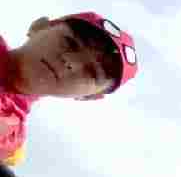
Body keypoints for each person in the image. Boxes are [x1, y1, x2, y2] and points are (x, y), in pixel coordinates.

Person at [1, 12, 139, 166]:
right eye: (70, 43)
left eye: (92, 72)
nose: (71, 62)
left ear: (90, 97)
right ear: (39, 26)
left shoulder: (11, 141)